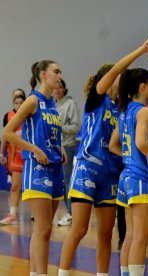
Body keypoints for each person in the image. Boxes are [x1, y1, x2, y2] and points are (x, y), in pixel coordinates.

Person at [108, 32, 148, 276]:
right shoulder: (142, 112)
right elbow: (142, 142)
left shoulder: (124, 112)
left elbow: (114, 145)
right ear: (142, 86)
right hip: (142, 179)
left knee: (131, 237)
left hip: (127, 178)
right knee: (140, 239)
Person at [58, 63, 124, 276]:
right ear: (108, 78)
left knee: (106, 235)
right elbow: (113, 73)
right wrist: (140, 50)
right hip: (88, 169)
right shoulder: (96, 99)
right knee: (79, 229)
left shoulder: (120, 108)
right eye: (118, 77)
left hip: (110, 174)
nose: (121, 80)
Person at [3, 60, 66, 276]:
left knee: (44, 231)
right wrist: (35, 150)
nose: (60, 75)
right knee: (44, 228)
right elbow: (8, 133)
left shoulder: (52, 105)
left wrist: (61, 149)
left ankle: (35, 273)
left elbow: (49, 135)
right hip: (37, 168)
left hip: (56, 168)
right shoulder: (32, 100)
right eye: (56, 71)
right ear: (43, 75)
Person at [53, 79, 81, 226]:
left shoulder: (71, 104)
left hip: (67, 147)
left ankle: (71, 213)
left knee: (67, 181)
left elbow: (76, 127)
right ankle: (67, 212)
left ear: (64, 89)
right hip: (54, 148)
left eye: (60, 87)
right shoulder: (52, 105)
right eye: (55, 87)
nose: (57, 90)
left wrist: (59, 127)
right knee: (59, 182)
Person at [0, 94, 26, 225]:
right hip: (16, 156)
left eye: (22, 103)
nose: (19, 105)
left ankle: (38, 215)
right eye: (16, 103)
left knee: (32, 189)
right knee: (15, 186)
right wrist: (1, 154)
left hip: (29, 157)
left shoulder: (30, 117)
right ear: (13, 104)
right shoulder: (10, 117)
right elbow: (5, 137)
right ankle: (12, 214)